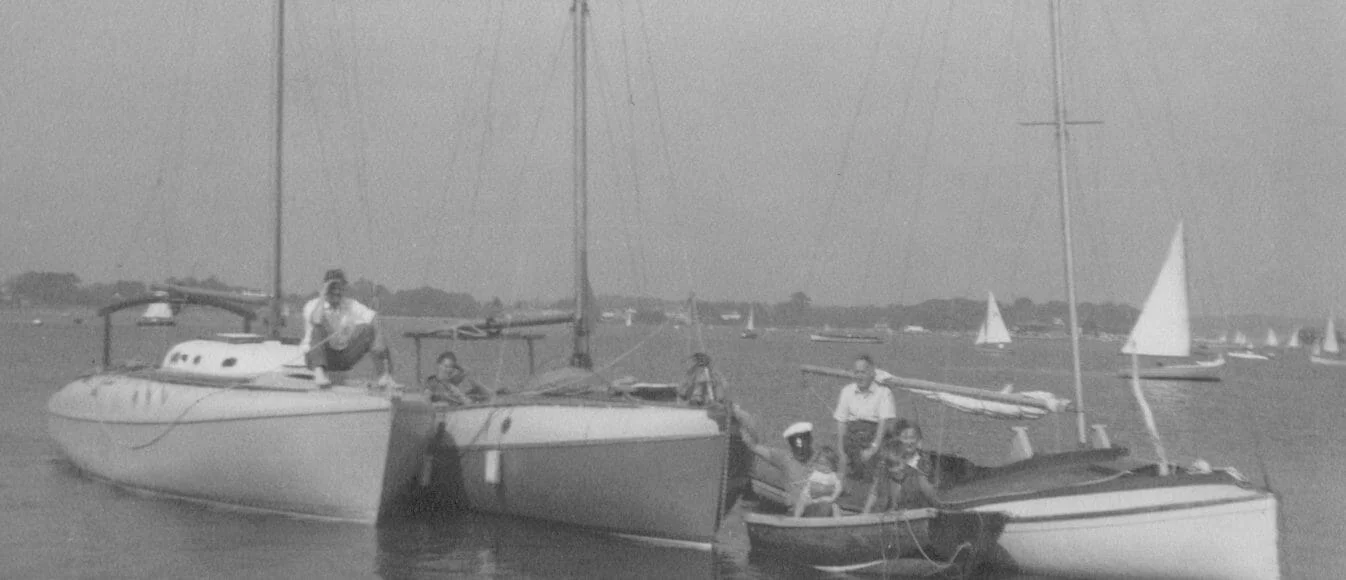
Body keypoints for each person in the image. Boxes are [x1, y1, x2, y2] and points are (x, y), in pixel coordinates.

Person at [732, 407, 836, 517]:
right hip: (797, 512)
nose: (799, 448)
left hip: (820, 510)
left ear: (810, 440)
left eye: (803, 442)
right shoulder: (785, 458)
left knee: (828, 506)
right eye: (794, 444)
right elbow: (753, 446)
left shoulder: (822, 458)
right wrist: (739, 417)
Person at [299, 269, 394, 388]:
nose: (337, 292)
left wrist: (379, 341)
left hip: (342, 356)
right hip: (315, 358)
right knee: (318, 329)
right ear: (325, 288)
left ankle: (384, 376)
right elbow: (316, 320)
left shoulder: (350, 304)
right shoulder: (312, 305)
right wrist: (323, 295)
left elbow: (374, 317)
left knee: (369, 329)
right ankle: (319, 374)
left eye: (340, 287)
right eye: (333, 287)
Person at [834, 354, 898, 482]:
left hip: (874, 436)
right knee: (835, 460)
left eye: (863, 372)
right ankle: (839, 490)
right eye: (856, 372)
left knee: (872, 465)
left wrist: (873, 448)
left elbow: (883, 424)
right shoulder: (847, 391)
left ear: (872, 373)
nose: (859, 376)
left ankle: (871, 492)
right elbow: (841, 422)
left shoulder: (884, 393)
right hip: (852, 436)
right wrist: (840, 450)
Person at [863, 420, 942, 513]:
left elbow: (932, 494)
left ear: (919, 440)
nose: (909, 442)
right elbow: (875, 490)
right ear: (898, 439)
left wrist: (919, 475)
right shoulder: (886, 461)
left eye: (912, 437)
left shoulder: (926, 462)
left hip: (914, 511)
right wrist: (865, 513)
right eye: (905, 437)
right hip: (887, 512)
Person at [426, 351, 494, 404]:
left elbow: (466, 371)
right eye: (446, 366)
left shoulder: (451, 382)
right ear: (438, 365)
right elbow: (426, 399)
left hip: (462, 403)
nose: (448, 370)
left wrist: (456, 366)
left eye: (451, 367)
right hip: (451, 410)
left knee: (478, 389)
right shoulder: (433, 382)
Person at [793, 445, 844, 518]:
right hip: (812, 498)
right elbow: (808, 486)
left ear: (833, 466)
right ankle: (796, 518)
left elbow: (838, 488)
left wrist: (832, 498)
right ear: (816, 463)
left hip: (825, 499)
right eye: (821, 464)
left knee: (835, 507)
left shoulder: (833, 476)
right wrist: (805, 495)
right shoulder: (815, 474)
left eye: (827, 465)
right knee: (801, 501)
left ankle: (839, 523)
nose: (823, 467)